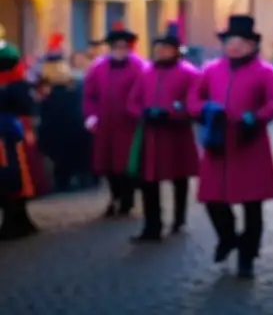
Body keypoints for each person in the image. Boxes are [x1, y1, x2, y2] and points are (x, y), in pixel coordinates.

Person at [188, 15, 273, 279]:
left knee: (252, 206)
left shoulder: (267, 72)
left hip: (249, 143)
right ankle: (228, 237)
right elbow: (194, 99)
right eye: (230, 41)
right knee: (212, 199)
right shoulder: (210, 70)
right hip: (218, 144)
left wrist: (256, 117)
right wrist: (205, 109)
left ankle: (247, 257)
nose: (235, 46)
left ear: (252, 45)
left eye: (241, 42)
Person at [126, 22, 200, 242]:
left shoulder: (189, 73)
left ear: (175, 51)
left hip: (176, 134)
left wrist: (172, 113)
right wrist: (144, 112)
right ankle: (152, 225)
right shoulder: (146, 72)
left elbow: (192, 103)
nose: (161, 52)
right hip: (151, 134)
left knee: (179, 177)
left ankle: (179, 218)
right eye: (158, 48)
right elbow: (132, 101)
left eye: (165, 48)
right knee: (149, 180)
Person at [83, 22, 145, 217]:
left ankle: (126, 200)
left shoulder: (139, 67)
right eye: (116, 47)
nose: (120, 50)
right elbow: (89, 94)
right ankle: (114, 197)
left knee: (126, 165)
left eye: (123, 47)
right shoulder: (98, 67)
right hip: (105, 123)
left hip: (129, 124)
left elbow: (144, 94)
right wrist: (91, 116)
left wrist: (138, 112)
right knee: (107, 164)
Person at [0, 27, 46, 239]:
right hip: (12, 136)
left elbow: (25, 107)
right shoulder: (17, 84)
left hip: (12, 136)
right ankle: (15, 220)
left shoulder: (15, 84)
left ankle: (17, 219)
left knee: (16, 179)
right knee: (14, 179)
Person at [37, 34, 90, 192]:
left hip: (66, 124)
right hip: (66, 124)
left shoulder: (71, 83)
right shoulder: (72, 82)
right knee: (68, 154)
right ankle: (74, 178)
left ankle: (70, 179)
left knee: (65, 154)